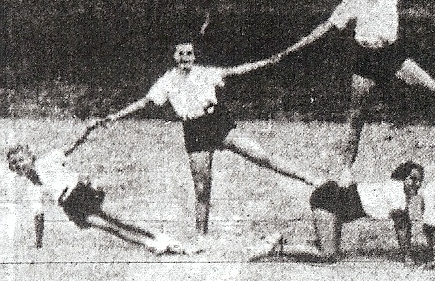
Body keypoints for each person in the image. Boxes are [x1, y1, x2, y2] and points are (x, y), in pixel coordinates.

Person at [94, 41, 324, 235]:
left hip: (217, 123)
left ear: (194, 56)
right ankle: (201, 236)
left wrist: (268, 62)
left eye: (189, 53)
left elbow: (237, 71)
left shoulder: (205, 73)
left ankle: (312, 179)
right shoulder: (167, 81)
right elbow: (145, 102)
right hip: (194, 132)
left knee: (261, 156)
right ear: (174, 56)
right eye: (181, 53)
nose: (185, 58)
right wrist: (114, 116)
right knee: (202, 188)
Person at [273, 0, 435, 178]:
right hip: (366, 60)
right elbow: (325, 27)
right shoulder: (352, 1)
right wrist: (291, 49)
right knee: (356, 116)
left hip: (391, 55)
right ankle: (345, 171)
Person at [4, 143, 192, 255]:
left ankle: (164, 238)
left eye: (21, 159)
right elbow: (38, 216)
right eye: (15, 164)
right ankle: (153, 245)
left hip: (81, 192)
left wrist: (87, 131)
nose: (20, 165)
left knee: (119, 219)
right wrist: (38, 244)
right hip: (70, 206)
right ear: (14, 170)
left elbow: (71, 147)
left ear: (30, 156)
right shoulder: (32, 188)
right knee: (110, 228)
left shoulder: (47, 161)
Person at [249, 161, 425, 264]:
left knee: (327, 249)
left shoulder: (396, 190)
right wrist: (408, 257)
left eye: (419, 181)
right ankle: (277, 248)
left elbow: (404, 224)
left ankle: (284, 243)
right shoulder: (396, 192)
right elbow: (402, 227)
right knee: (328, 255)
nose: (416, 184)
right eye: (412, 179)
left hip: (337, 204)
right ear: (402, 178)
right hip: (330, 200)